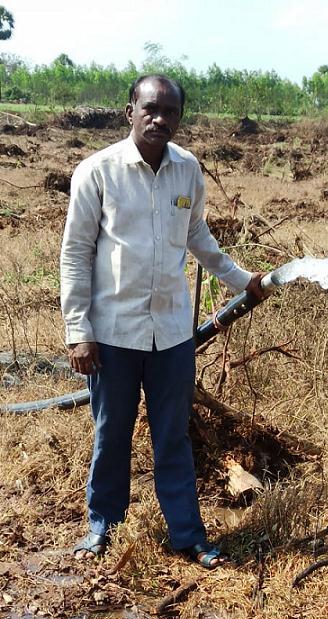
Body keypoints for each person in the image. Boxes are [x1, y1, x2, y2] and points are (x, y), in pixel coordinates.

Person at [60, 74, 265, 569]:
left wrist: (243, 281)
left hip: (171, 334)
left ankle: (188, 536)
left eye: (170, 112)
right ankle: (102, 526)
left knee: (172, 436)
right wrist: (79, 332)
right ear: (129, 111)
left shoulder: (187, 170)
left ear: (179, 118)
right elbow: (74, 254)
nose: (159, 119)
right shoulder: (98, 172)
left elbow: (198, 237)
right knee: (112, 432)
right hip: (113, 334)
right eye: (150, 109)